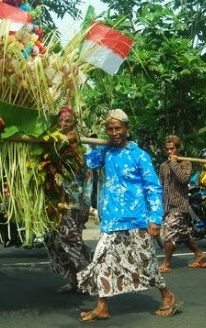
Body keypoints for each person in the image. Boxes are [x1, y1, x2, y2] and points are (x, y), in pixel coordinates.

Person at [76, 109, 178, 323]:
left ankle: (167, 295)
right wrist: (73, 141)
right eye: (110, 129)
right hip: (111, 220)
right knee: (102, 260)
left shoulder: (139, 155)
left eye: (118, 129)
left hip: (136, 219)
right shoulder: (106, 152)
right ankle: (102, 306)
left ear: (127, 129)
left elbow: (153, 188)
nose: (114, 133)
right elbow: (87, 162)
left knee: (145, 262)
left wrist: (155, 218)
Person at [45, 106, 92, 294]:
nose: (64, 124)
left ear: (75, 123)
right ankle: (75, 280)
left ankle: (90, 276)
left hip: (75, 202)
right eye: (61, 121)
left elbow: (88, 176)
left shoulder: (82, 145)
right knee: (52, 241)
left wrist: (86, 205)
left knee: (70, 239)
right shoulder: (52, 141)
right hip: (55, 201)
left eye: (68, 121)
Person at [158, 135, 206, 273]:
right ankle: (199, 254)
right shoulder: (163, 166)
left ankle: (166, 263)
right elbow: (161, 185)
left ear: (178, 149)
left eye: (172, 149)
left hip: (179, 205)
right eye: (167, 149)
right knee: (183, 234)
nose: (169, 152)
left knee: (169, 234)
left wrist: (174, 163)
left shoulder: (185, 163)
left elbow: (184, 179)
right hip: (167, 205)